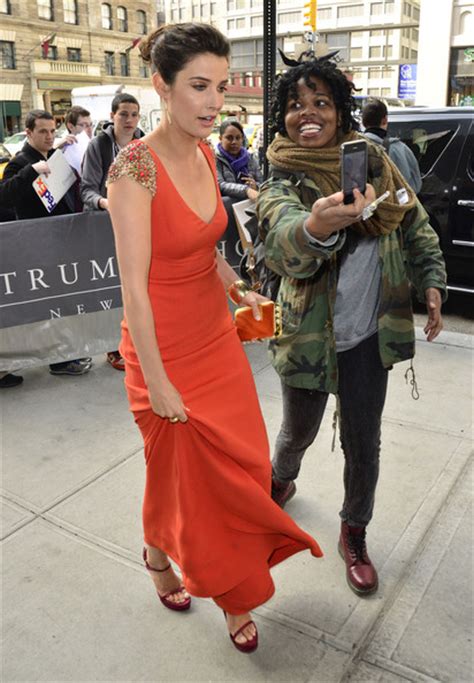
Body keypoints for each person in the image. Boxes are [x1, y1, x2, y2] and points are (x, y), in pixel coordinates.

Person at [107, 22, 322, 654]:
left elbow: (206, 249)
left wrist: (236, 288)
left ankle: (154, 549)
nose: (213, 102)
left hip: (214, 339)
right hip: (161, 351)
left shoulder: (204, 150)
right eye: (199, 86)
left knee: (244, 468)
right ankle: (233, 595)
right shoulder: (133, 170)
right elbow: (135, 289)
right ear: (161, 86)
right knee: (192, 482)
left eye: (221, 87)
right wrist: (160, 380)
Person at [256, 54, 447, 597]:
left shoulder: (380, 168)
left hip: (370, 337)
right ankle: (279, 480)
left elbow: (415, 226)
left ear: (341, 113)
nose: (307, 113)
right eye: (295, 105)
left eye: (321, 102)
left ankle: (354, 531)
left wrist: (431, 278)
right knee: (298, 432)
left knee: (365, 442)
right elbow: (281, 243)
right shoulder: (281, 178)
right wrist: (317, 226)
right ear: (282, 117)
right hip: (308, 340)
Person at [0, 109, 92, 379]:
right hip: (34, 245)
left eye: (52, 131)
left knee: (60, 304)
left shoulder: (52, 153)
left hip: (58, 241)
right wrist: (31, 171)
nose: (49, 136)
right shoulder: (20, 162)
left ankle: (63, 356)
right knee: (46, 307)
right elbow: (4, 197)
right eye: (42, 131)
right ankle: (58, 360)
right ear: (28, 133)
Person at [81, 93, 143, 370]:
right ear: (112, 116)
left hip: (140, 223)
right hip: (107, 225)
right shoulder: (99, 145)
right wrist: (106, 202)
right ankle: (112, 347)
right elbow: (87, 189)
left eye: (134, 114)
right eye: (123, 114)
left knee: (139, 286)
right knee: (112, 287)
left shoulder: (144, 142)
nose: (129, 120)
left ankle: (139, 343)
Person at [362, 99, 422, 193]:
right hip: (393, 206)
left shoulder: (352, 148)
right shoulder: (401, 149)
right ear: (385, 119)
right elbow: (414, 187)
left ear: (363, 122)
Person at [216, 119, 262, 201]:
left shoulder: (250, 157)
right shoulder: (215, 159)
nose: (234, 142)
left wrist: (255, 186)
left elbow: (262, 183)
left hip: (250, 206)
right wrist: (246, 190)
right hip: (227, 207)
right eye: (229, 138)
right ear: (220, 138)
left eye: (238, 138)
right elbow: (220, 185)